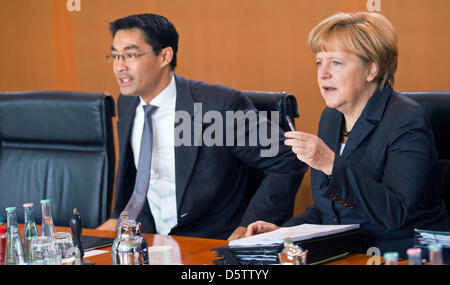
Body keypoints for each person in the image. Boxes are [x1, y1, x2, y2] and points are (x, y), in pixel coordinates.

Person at [246, 12, 450, 255]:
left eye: (336, 62)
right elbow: (328, 211)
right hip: (349, 251)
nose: (323, 73)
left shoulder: (406, 119)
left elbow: (395, 212)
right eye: (319, 62)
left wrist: (330, 163)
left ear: (371, 69)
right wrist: (282, 233)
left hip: (403, 253)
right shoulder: (331, 117)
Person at [96, 13, 307, 240]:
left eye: (130, 55)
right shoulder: (128, 101)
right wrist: (119, 216)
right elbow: (135, 176)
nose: (119, 67)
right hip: (149, 240)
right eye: (115, 56)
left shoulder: (217, 107)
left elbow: (287, 158)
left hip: (209, 242)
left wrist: (250, 227)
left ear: (165, 56)